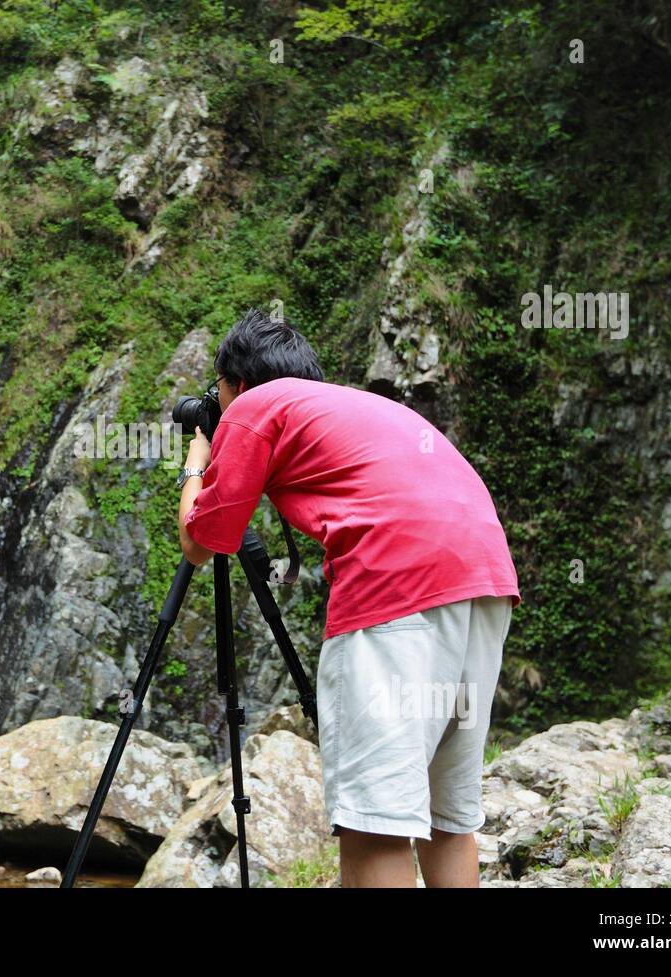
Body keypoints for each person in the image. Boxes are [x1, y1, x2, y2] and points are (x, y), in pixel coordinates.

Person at [177, 308, 520, 888]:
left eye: (219, 390)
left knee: (374, 825)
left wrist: (194, 465)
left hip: (397, 586)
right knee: (447, 817)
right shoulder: (352, 406)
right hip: (485, 579)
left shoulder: (256, 407)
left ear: (236, 383)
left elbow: (203, 540)